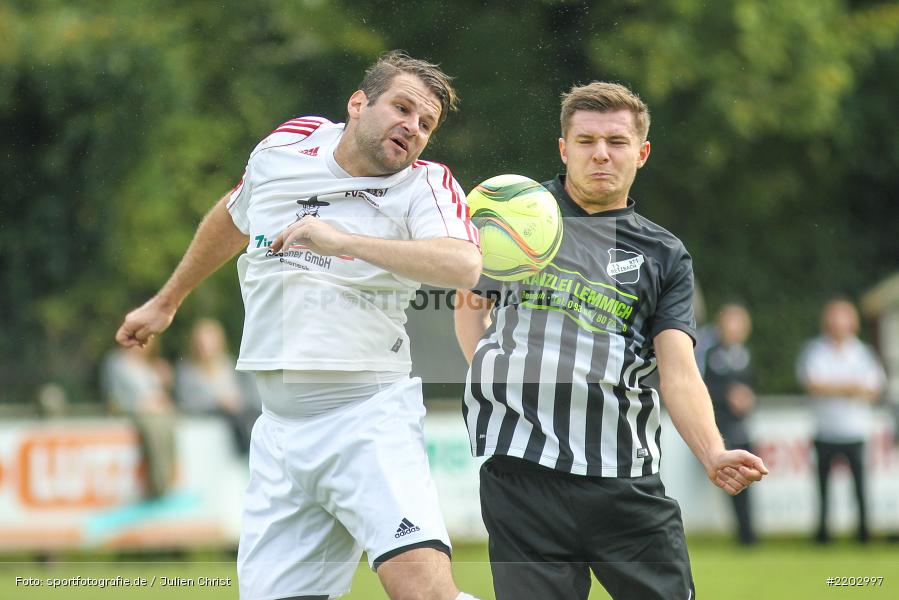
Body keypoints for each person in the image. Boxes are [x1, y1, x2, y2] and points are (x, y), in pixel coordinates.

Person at [115, 51, 481, 600]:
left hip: (367, 420)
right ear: (358, 104)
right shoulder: (288, 146)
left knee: (423, 592)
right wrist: (167, 301)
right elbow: (235, 214)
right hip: (279, 434)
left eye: (426, 124)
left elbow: (464, 264)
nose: (413, 127)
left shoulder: (425, 184)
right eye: (402, 108)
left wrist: (343, 241)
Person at [454, 81, 768, 600]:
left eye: (617, 141)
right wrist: (492, 370)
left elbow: (679, 371)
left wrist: (713, 451)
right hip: (521, 475)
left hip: (623, 476)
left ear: (641, 153)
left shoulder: (664, 254)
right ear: (564, 148)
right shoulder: (515, 214)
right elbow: (470, 304)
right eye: (586, 140)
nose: (601, 153)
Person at [797, 298, 885, 544]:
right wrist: (849, 388)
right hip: (825, 429)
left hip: (854, 430)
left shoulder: (862, 352)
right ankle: (823, 534)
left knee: (860, 487)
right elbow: (813, 384)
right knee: (823, 488)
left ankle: (863, 532)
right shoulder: (815, 350)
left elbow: (874, 388)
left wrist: (834, 387)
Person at [701, 303, 757, 545]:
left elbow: (752, 386)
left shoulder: (744, 355)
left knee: (747, 479)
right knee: (731, 477)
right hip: (719, 429)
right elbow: (699, 387)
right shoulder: (709, 353)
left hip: (742, 427)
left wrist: (749, 398)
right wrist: (727, 396)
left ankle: (748, 533)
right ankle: (744, 534)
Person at [101, 338, 176, 499]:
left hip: (156, 413)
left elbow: (159, 394)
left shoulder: (151, 365)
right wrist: (139, 404)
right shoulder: (116, 363)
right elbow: (113, 396)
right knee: (154, 429)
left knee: (166, 425)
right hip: (135, 414)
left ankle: (167, 481)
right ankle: (158, 485)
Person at [175, 318, 258, 454]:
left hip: (240, 420)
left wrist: (237, 401)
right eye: (202, 342)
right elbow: (186, 403)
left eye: (209, 341)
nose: (205, 346)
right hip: (207, 427)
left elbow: (249, 396)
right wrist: (217, 402)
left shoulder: (231, 366)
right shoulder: (187, 371)